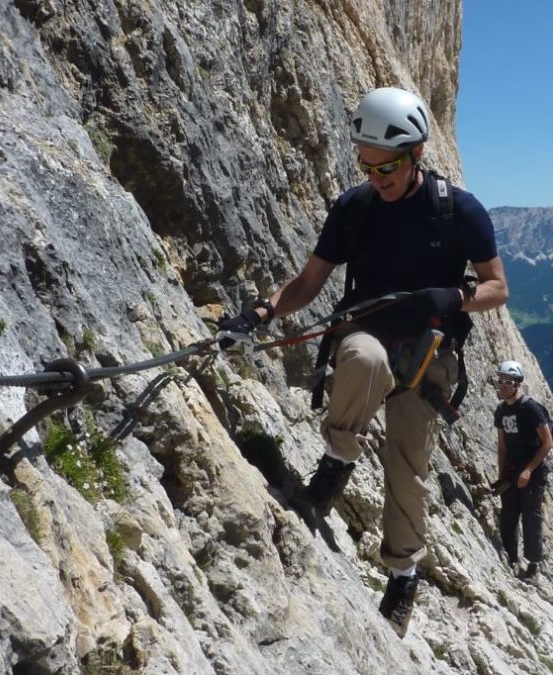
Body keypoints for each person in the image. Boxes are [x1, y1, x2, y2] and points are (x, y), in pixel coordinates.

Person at [217, 87, 508, 636]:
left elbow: (497, 287)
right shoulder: (356, 208)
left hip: (429, 354)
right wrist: (259, 313)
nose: (377, 177)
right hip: (370, 337)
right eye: (367, 165)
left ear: (417, 153)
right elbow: (308, 282)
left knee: (409, 469)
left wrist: (457, 299)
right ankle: (337, 461)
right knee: (363, 358)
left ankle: (401, 577)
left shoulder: (458, 211)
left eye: (388, 166)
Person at [492, 360, 553, 582]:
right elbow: (502, 447)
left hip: (533, 473)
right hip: (511, 471)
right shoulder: (501, 410)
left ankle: (533, 566)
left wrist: (528, 471)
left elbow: (547, 443)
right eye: (500, 381)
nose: (502, 386)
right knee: (508, 515)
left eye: (506, 382)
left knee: (531, 516)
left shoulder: (531, 409)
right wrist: (501, 476)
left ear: (517, 384)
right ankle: (510, 557)